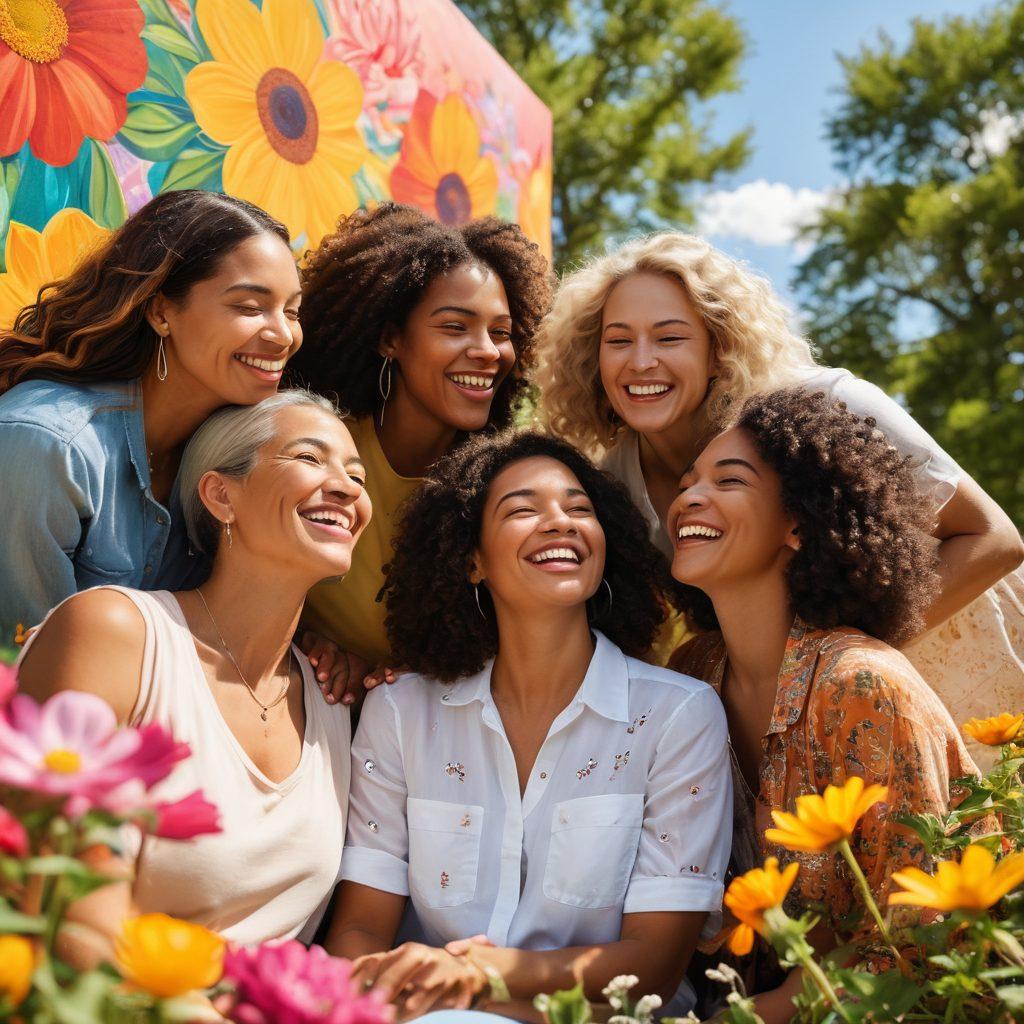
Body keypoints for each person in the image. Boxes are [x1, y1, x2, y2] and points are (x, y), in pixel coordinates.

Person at [532, 232, 1024, 753]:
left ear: (718, 350)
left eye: (669, 338)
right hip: (797, 717)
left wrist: (829, 672)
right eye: (618, 341)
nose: (641, 361)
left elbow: (996, 539)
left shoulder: (831, 406)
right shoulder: (611, 484)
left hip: (958, 648)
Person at [327, 432, 732, 1021]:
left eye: (579, 509)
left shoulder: (677, 715)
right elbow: (359, 930)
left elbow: (655, 965)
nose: (560, 522)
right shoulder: (400, 711)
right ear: (472, 560)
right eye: (522, 509)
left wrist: (477, 979)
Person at [16, 391, 370, 959]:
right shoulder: (114, 635)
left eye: (357, 475)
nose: (347, 488)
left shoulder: (335, 698)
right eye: (309, 457)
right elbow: (60, 904)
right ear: (221, 495)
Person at [666, 389, 978, 1022]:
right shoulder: (691, 672)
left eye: (729, 480)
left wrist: (756, 1015)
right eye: (688, 481)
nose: (690, 497)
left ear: (800, 524)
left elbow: (919, 934)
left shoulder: (862, 685)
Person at [0, 190, 303, 645]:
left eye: (292, 311)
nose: (283, 335)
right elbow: (21, 661)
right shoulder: (48, 446)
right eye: (248, 307)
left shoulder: (242, 455)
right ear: (161, 311)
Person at [288, 202, 552, 685]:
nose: (487, 351)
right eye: (455, 327)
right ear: (390, 338)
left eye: (501, 332)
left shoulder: (498, 488)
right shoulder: (311, 446)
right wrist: (303, 639)